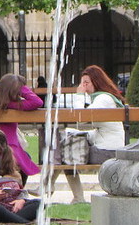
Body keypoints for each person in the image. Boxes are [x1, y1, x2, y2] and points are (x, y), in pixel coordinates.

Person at [54, 64, 126, 203]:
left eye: (86, 83)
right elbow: (100, 129)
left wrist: (79, 96)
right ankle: (54, 189)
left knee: (66, 154)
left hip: (107, 151)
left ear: (96, 82)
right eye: (82, 84)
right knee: (67, 151)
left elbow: (81, 118)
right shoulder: (104, 98)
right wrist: (79, 133)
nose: (84, 87)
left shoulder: (103, 99)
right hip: (109, 147)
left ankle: (76, 197)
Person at [0, 73, 43, 180]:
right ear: (12, 90)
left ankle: (16, 190)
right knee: (23, 160)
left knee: (25, 158)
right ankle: (16, 189)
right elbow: (37, 101)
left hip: (8, 147)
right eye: (18, 89)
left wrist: (19, 88)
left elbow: (38, 102)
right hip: (2, 147)